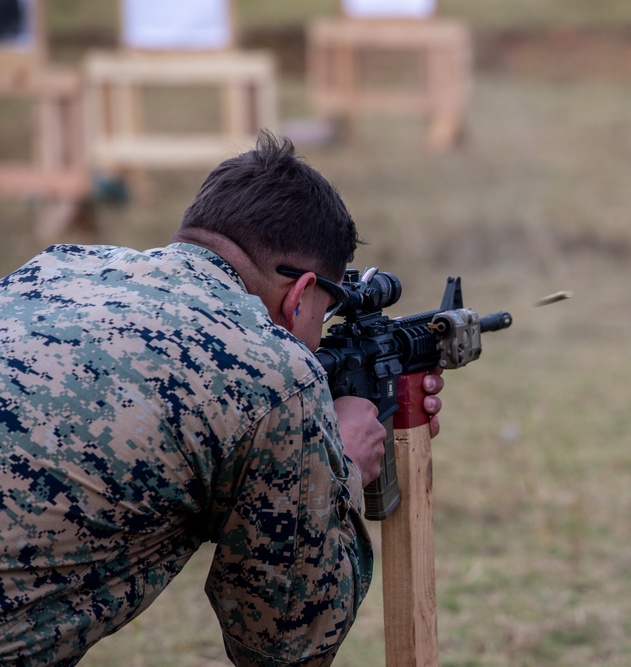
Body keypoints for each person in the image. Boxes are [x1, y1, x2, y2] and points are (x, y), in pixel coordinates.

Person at [0, 130, 444, 666]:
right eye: (323, 316)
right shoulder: (276, 373)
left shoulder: (53, 269)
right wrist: (341, 464)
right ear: (302, 293)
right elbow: (283, 646)